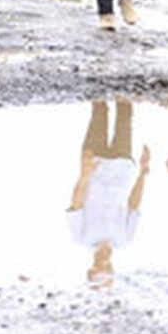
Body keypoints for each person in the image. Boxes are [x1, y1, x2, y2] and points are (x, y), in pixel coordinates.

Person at [68, 101, 149, 290]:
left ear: (91, 268)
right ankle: (126, 79)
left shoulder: (81, 238)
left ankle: (98, 74)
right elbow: (134, 205)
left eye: (99, 267)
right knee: (125, 116)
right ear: (112, 267)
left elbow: (76, 203)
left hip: (94, 168)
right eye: (107, 268)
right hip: (122, 169)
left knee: (99, 112)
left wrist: (85, 173)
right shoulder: (124, 239)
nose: (104, 263)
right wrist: (144, 172)